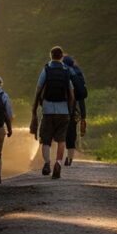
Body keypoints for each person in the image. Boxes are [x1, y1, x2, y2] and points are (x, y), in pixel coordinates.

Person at [32, 46, 75, 179]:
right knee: (61, 139)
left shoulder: (46, 69)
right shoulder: (66, 70)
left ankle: (47, 163)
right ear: (62, 56)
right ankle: (58, 163)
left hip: (48, 110)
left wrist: (35, 106)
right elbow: (71, 92)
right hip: (63, 111)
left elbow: (38, 88)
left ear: (51, 55)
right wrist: (70, 109)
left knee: (46, 139)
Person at [63, 55, 88, 166]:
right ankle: (70, 158)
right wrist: (83, 116)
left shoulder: (64, 72)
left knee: (60, 131)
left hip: (62, 106)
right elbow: (82, 95)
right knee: (72, 133)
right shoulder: (78, 73)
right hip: (76, 108)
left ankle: (58, 158)